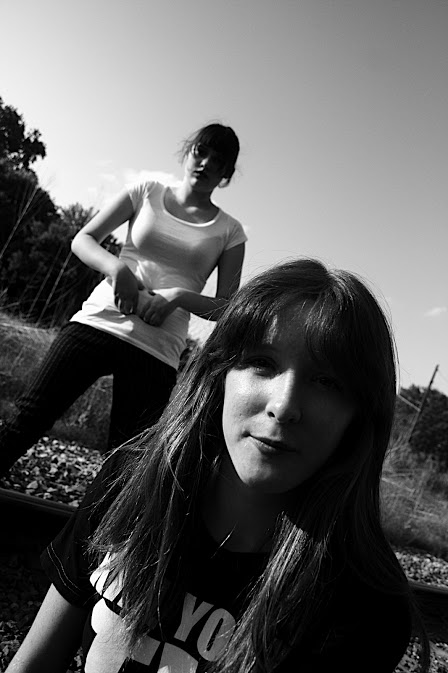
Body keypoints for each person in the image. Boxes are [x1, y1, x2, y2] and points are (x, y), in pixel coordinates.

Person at [5, 258, 430, 673]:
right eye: (263, 363)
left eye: (327, 382)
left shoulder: (367, 607)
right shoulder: (129, 481)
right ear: (220, 373)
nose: (284, 407)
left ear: (359, 416)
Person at [0, 122, 246, 476]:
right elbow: (83, 239)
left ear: (227, 174)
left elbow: (226, 308)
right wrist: (117, 269)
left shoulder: (230, 231)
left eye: (218, 161)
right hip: (98, 322)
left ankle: (93, 517)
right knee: (28, 418)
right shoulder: (146, 191)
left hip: (157, 348)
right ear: (188, 152)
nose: (206, 163)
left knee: (123, 465)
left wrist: (177, 297)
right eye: (201, 152)